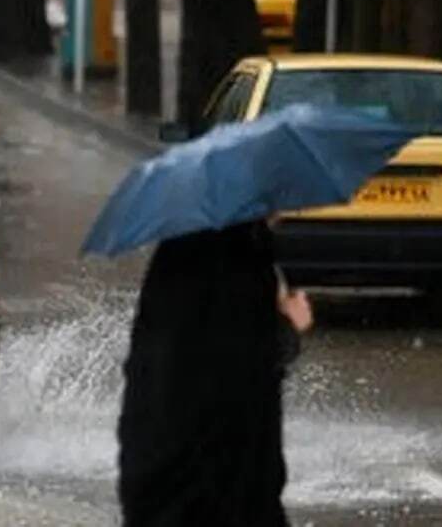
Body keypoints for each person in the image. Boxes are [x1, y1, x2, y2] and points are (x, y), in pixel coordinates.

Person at [118, 221, 313, 526]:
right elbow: (243, 369)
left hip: (158, 479)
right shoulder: (239, 257)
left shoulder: (177, 255)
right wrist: (289, 323)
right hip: (217, 489)